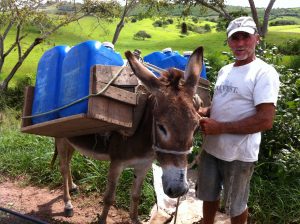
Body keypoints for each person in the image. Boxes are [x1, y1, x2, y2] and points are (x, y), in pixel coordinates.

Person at [195, 16, 280, 224]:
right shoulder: (226, 71)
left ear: (256, 39)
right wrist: (204, 112)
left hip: (239, 154)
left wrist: (220, 127)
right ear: (229, 41)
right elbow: (223, 105)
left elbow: (265, 120)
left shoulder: (264, 73)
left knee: (236, 204)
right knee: (208, 196)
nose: (240, 43)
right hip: (212, 148)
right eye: (235, 38)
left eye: (246, 37)